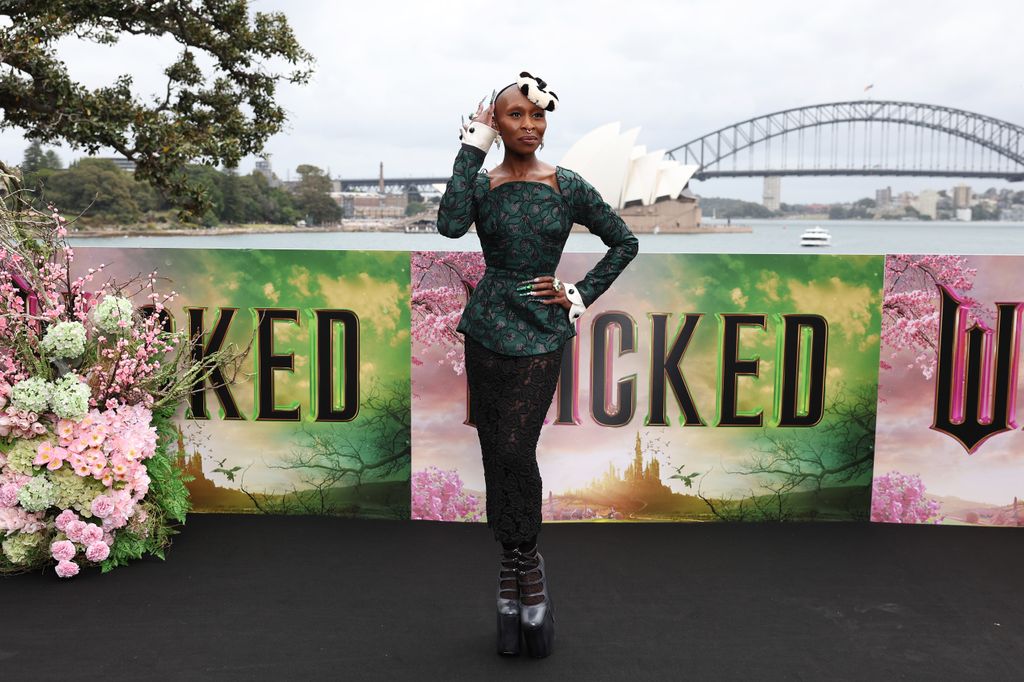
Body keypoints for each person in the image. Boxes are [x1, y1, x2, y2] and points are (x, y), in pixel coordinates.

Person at [436, 71, 639, 658]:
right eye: (515, 116)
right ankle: (515, 569)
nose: (529, 126)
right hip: (486, 325)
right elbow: (449, 226)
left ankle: (525, 567)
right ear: (495, 123)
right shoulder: (481, 182)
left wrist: (579, 292)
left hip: (540, 329)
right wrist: (468, 150)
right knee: (492, 448)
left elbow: (623, 241)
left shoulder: (567, 184)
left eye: (538, 116)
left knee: (512, 450)